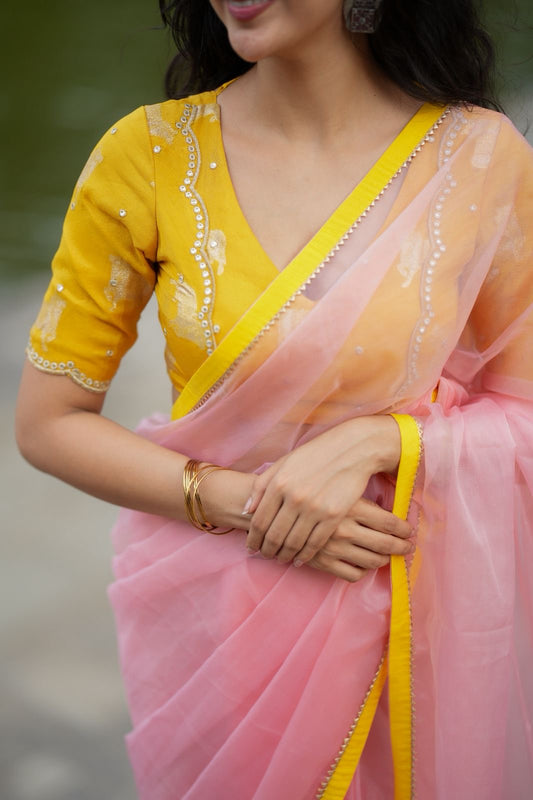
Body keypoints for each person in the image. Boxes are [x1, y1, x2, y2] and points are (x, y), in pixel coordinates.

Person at [15, 0, 533, 797]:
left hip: (418, 612)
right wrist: (247, 504)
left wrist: (379, 443)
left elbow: (523, 408)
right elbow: (48, 425)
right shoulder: (147, 156)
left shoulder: (476, 157)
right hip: (225, 622)